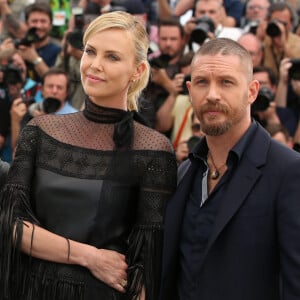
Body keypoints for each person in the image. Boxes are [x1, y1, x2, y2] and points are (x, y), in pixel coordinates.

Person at [0, 11, 177, 300]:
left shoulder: (152, 149)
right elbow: (12, 226)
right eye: (90, 51)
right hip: (30, 290)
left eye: (112, 57)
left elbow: (147, 266)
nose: (95, 65)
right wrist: (89, 256)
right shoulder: (40, 131)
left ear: (138, 70)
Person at [159, 37, 300, 300]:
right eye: (202, 82)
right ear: (190, 91)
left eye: (226, 82)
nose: (212, 94)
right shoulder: (184, 173)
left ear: (252, 91)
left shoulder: (290, 172)